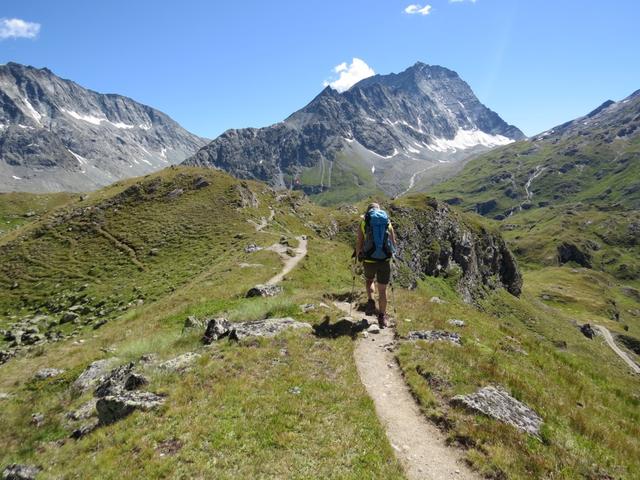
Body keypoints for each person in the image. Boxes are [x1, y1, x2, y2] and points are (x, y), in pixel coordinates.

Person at [355, 202, 396, 328]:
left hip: (369, 259)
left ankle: (371, 301)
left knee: (369, 280)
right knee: (383, 290)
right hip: (384, 260)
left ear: (368, 211)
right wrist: (392, 254)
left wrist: (358, 257)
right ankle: (382, 316)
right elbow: (393, 242)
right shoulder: (387, 222)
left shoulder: (364, 222)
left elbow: (359, 242)